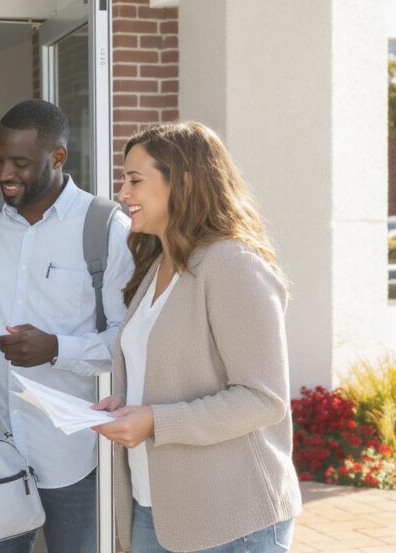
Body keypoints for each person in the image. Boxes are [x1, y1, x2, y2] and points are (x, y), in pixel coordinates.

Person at [91, 122, 302, 552]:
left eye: (135, 180)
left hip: (231, 520)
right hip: (155, 509)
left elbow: (263, 398)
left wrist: (153, 420)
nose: (123, 193)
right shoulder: (156, 267)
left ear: (183, 181)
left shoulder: (232, 264)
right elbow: (167, 372)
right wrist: (129, 405)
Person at [0, 99, 133, 553]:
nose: (4, 173)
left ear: (58, 158)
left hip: (74, 456)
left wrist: (57, 348)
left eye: (20, 162)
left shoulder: (106, 227)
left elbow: (129, 341)